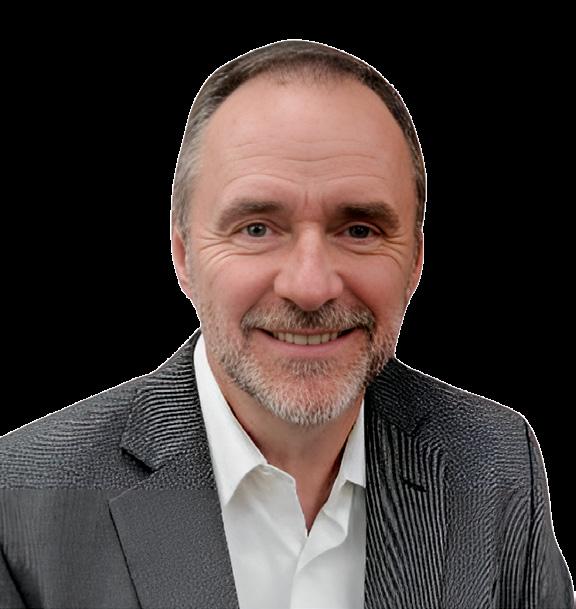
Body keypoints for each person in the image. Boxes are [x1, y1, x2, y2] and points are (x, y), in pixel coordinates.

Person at [0, 39, 573, 609]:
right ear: (183, 254)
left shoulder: (495, 465)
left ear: (417, 260)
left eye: (359, 230)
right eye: (257, 229)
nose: (310, 286)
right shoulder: (18, 501)